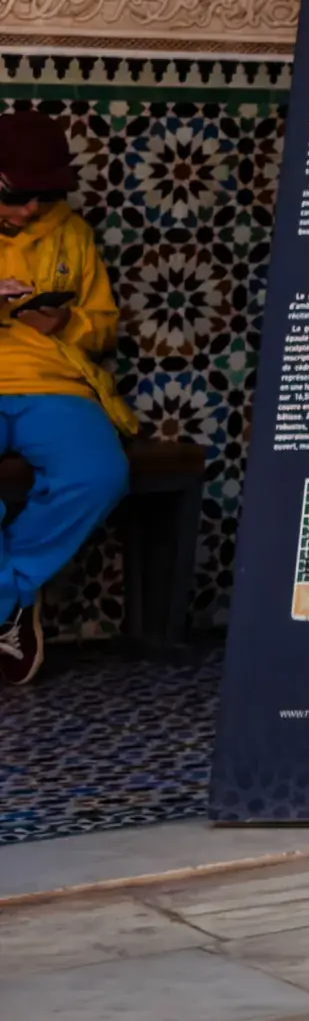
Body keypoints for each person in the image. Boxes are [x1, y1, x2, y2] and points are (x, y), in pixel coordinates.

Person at [0, 108, 138, 689]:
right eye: (17, 194)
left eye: (45, 194)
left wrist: (66, 323)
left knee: (101, 473)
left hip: (53, 381)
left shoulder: (71, 233)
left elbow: (104, 324)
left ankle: (8, 590)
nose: (31, 208)